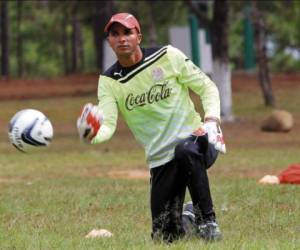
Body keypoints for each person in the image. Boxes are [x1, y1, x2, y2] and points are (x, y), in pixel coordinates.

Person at [77, 12, 226, 243]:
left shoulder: (167, 55)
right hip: (160, 160)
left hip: (196, 140)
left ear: (139, 36)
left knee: (185, 150)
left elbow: (207, 87)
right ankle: (188, 217)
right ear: (109, 41)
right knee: (165, 236)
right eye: (114, 34)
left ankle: (208, 221)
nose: (122, 38)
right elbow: (107, 126)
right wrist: (92, 134)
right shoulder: (109, 81)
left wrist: (211, 121)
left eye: (127, 32)